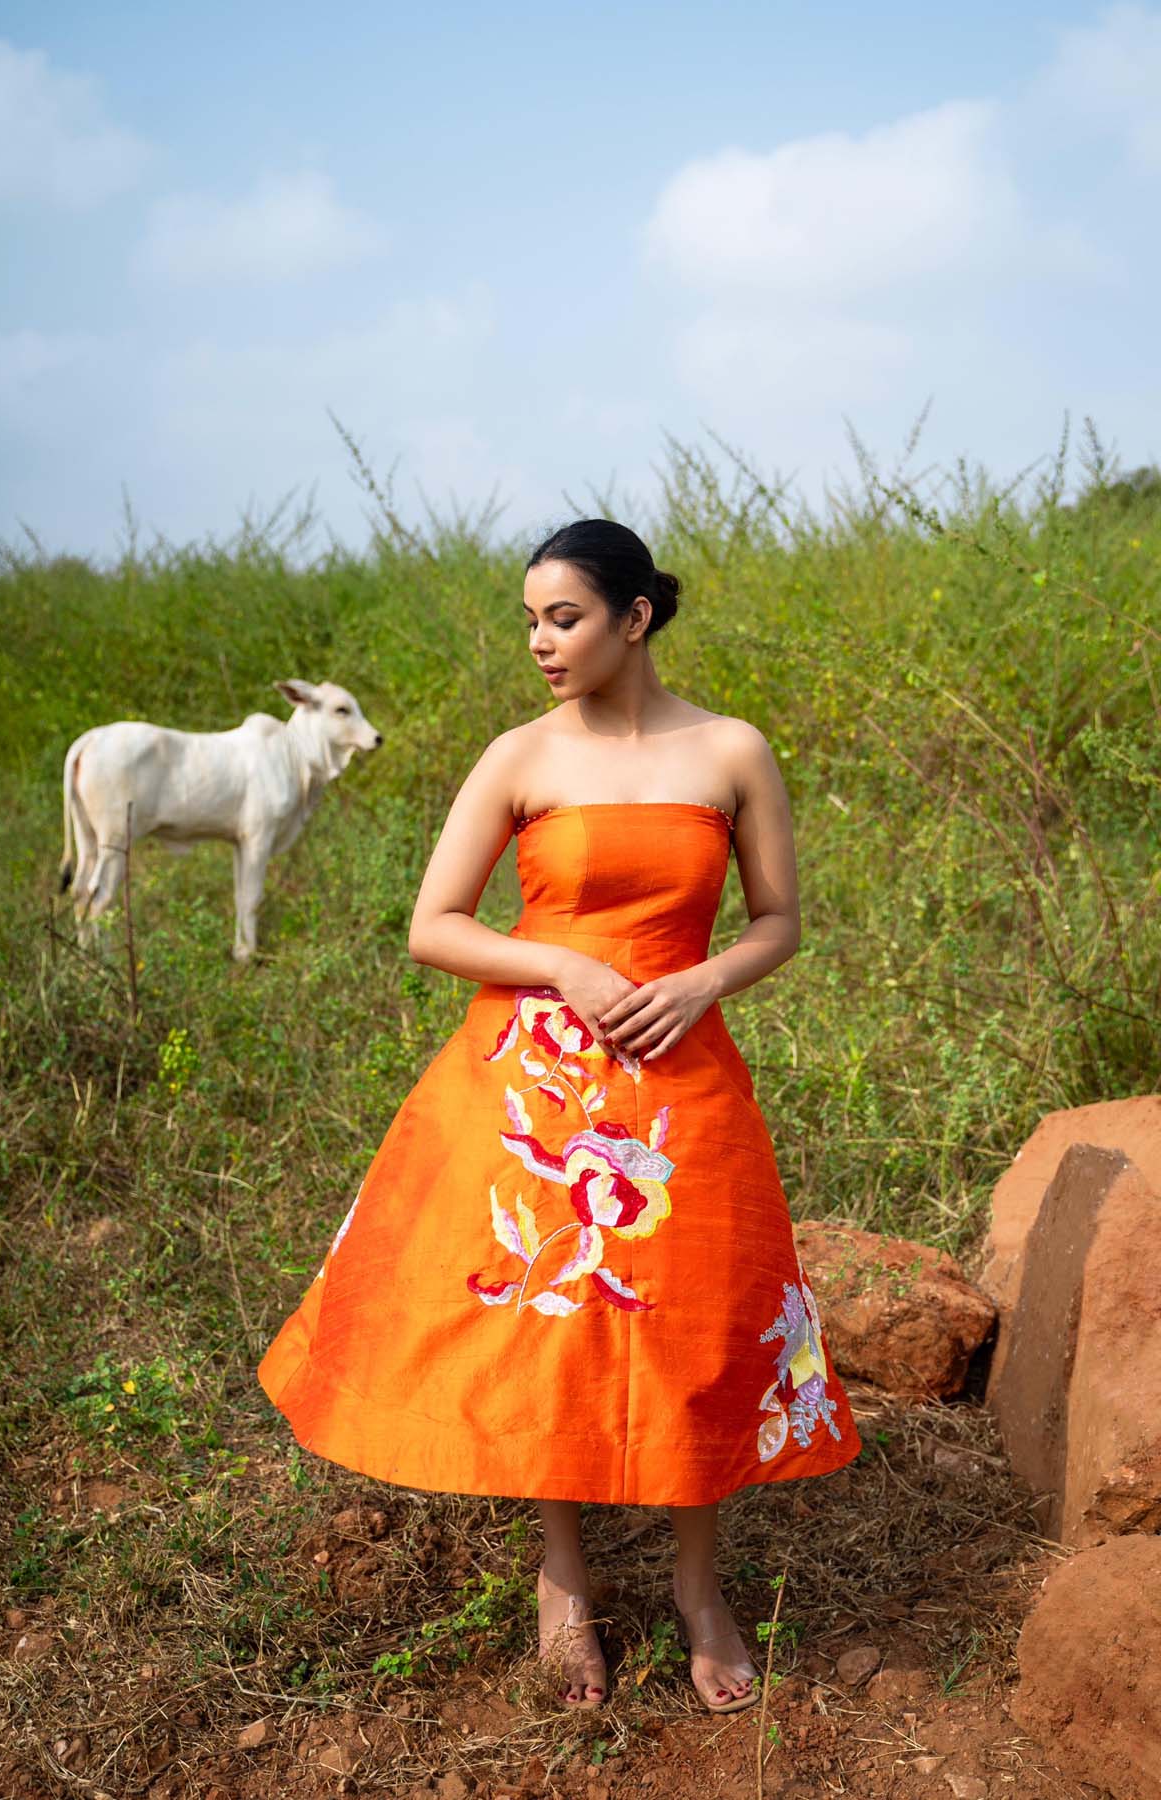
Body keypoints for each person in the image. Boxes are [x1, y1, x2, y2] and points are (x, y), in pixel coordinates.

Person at [258, 518, 862, 1715]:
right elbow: (436, 925)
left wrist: (703, 979)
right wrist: (564, 967)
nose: (540, 642)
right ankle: (564, 1576)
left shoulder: (731, 751)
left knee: (696, 1321)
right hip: (538, 1086)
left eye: (565, 618)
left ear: (635, 617)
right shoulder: (519, 757)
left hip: (685, 1077)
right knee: (550, 1324)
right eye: (531, 619)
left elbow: (778, 922)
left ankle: (698, 1588)